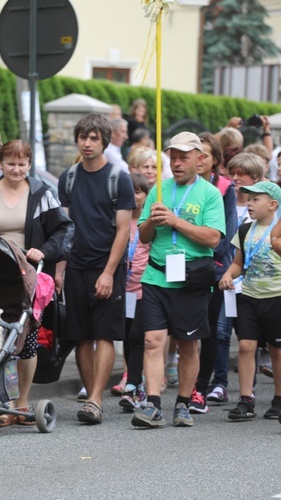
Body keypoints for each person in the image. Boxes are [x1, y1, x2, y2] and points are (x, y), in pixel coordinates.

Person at [0, 139, 73, 425]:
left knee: (26, 340)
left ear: (29, 164)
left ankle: (22, 402)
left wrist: (43, 250)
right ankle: (2, 402)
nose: (16, 169)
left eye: (22, 164)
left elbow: (62, 229)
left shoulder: (42, 193)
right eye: (10, 163)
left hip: (27, 274)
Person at [132, 131, 225, 429]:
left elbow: (212, 239)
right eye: (173, 157)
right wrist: (152, 221)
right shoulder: (159, 188)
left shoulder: (210, 194)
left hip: (191, 280)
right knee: (152, 340)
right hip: (157, 275)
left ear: (200, 160)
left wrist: (174, 221)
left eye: (184, 157)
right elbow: (143, 236)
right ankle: (153, 404)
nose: (177, 163)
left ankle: (183, 403)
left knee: (187, 345)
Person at [58, 113, 135, 425]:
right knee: (80, 336)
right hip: (75, 267)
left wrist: (108, 271)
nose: (87, 143)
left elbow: (123, 230)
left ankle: (96, 398)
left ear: (104, 141)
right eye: (83, 137)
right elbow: (63, 228)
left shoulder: (119, 177)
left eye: (94, 138)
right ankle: (91, 397)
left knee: (104, 335)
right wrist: (60, 269)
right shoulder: (69, 177)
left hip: (106, 267)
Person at [219, 181, 281, 421]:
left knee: (277, 350)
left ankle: (278, 399)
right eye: (249, 198)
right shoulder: (244, 230)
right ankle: (246, 400)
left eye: (256, 199)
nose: (250, 203)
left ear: (272, 204)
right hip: (249, 296)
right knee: (245, 346)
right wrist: (227, 275)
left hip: (276, 297)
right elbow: (237, 263)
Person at [189, 133, 237, 413]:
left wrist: (206, 256)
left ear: (215, 159)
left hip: (213, 270)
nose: (201, 159)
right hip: (182, 269)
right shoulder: (179, 187)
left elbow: (226, 235)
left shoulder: (224, 188)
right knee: (182, 333)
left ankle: (200, 389)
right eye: (198, 153)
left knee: (207, 332)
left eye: (206, 154)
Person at [118, 173, 151, 411]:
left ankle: (134, 385)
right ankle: (132, 378)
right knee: (128, 337)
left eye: (139, 192)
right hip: (123, 289)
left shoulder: (148, 222)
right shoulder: (120, 221)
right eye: (131, 191)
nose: (135, 196)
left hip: (144, 289)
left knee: (139, 336)